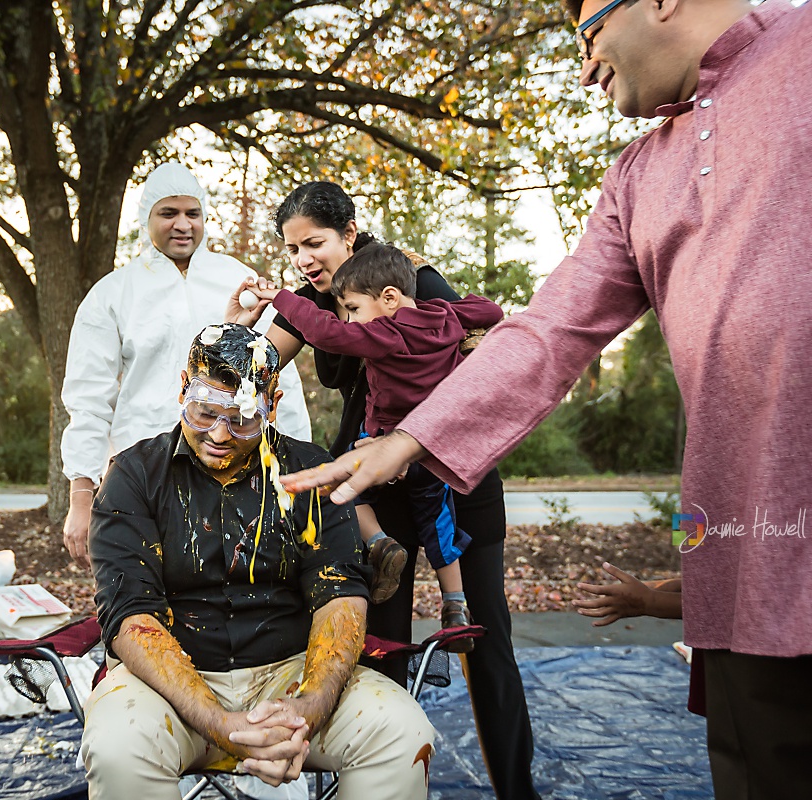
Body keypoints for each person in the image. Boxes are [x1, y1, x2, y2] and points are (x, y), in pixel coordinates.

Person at [279, 2, 812, 797]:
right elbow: (548, 329)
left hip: (460, 490)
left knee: (483, 635)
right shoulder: (636, 175)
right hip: (743, 547)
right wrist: (405, 440)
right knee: (755, 757)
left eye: (589, 33)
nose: (584, 65)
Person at [229, 181, 542, 800]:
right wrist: (239, 324)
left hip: (454, 475)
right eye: (293, 249)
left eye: (313, 243)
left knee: (487, 641)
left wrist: (424, 441)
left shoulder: (413, 283)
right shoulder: (316, 298)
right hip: (376, 486)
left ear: (349, 234)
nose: (303, 260)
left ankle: (517, 791)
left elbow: (482, 364)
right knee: (382, 647)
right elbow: (250, 365)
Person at [80, 324, 435, 800]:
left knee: (401, 734)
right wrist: (216, 721)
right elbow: (130, 614)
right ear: (183, 387)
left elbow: (341, 596)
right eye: (204, 412)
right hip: (172, 685)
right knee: (118, 747)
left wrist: (309, 710)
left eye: (244, 419)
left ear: (273, 401)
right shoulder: (133, 474)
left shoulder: (310, 471)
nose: (220, 436)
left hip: (291, 673)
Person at [60, 163, 311, 571]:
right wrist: (81, 496)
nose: (182, 225)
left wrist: (292, 476)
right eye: (168, 213)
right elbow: (88, 397)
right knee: (143, 591)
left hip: (235, 466)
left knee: (228, 591)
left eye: (192, 214)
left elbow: (280, 377)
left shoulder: (239, 282)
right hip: (141, 473)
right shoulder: (113, 293)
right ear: (146, 219)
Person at [249, 243, 505, 644]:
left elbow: (325, 332)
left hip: (385, 444)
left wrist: (279, 297)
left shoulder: (384, 334)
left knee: (342, 489)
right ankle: (455, 605)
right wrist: (474, 305)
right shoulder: (444, 316)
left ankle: (381, 543)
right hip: (432, 446)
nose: (350, 319)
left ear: (388, 299)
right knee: (439, 523)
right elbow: (490, 311)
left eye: (353, 308)